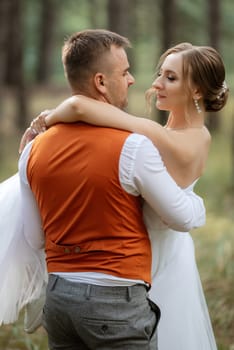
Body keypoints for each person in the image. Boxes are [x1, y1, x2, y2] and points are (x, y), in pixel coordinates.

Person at [26, 42, 228, 350]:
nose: (156, 83)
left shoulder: (179, 138)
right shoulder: (163, 135)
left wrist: (51, 117)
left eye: (171, 78)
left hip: (157, 260)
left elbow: (81, 107)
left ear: (197, 91)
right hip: (130, 254)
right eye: (160, 73)